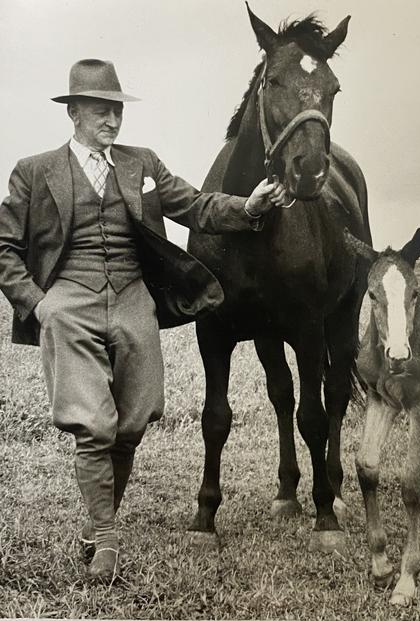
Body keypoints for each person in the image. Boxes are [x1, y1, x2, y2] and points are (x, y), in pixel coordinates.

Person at [0, 59, 287, 581]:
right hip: (68, 300)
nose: (111, 120)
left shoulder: (141, 164)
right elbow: (5, 247)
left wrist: (248, 205)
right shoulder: (35, 170)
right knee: (94, 424)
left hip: (135, 299)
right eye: (100, 111)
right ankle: (107, 537)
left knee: (133, 422)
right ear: (74, 113)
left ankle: (97, 522)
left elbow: (197, 207)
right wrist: (37, 303)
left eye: (116, 110)